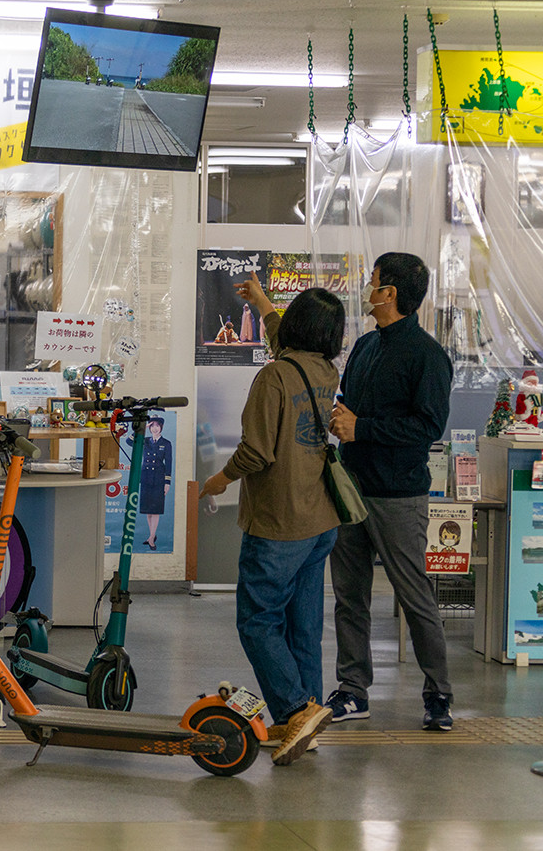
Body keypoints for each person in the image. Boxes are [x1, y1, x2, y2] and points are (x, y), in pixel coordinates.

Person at [199, 280, 344, 766]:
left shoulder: (274, 377)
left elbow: (256, 452)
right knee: (304, 627)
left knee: (258, 621)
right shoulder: (324, 371)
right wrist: (262, 303)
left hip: (279, 524)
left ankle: (297, 710)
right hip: (320, 521)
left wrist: (219, 480)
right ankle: (304, 720)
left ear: (296, 326)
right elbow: (287, 341)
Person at [326, 252, 455, 732]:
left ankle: (438, 693)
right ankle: (352, 689)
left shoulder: (427, 356)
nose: (367, 288)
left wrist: (362, 428)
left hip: (398, 496)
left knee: (414, 596)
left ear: (390, 293)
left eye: (373, 281)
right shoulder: (365, 346)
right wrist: (339, 418)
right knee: (349, 596)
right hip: (350, 488)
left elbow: (428, 427)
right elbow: (347, 404)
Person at [139, 417, 172, 550]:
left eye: (157, 426)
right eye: (152, 426)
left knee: (156, 510)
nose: (155, 428)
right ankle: (151, 535)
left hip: (158, 478)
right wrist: (143, 428)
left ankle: (152, 537)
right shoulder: (145, 440)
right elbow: (130, 441)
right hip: (146, 477)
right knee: (148, 510)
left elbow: (168, 463)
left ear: (161, 427)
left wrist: (167, 482)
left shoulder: (166, 443)